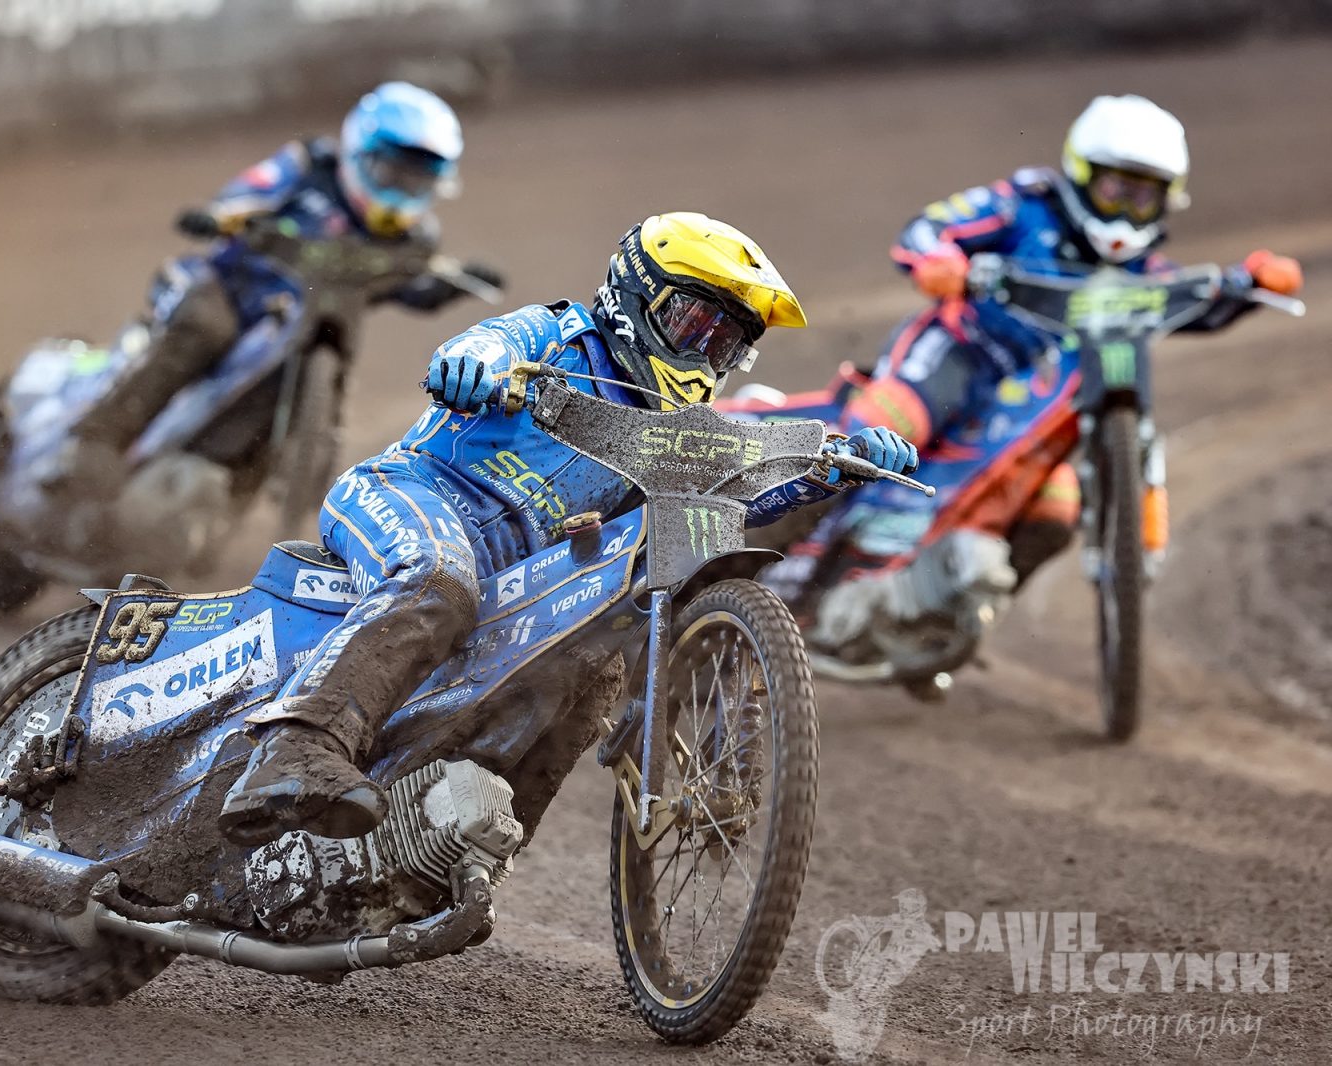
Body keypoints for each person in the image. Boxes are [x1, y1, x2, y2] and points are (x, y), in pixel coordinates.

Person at [217, 212, 920, 844]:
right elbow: (486, 342)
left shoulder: (673, 434)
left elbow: (741, 491)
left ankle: (454, 854)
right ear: (636, 296)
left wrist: (834, 466)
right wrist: (473, 366)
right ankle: (295, 749)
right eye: (692, 326)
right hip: (412, 494)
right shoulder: (557, 333)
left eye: (723, 345)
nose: (703, 355)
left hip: (515, 576)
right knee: (437, 579)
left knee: (595, 668)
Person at [760, 94, 1302, 589]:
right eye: (1115, 190)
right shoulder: (1023, 204)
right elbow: (929, 228)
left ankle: (955, 612)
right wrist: (940, 260)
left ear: (1167, 202)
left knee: (1057, 508)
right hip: (961, 354)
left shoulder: (1138, 271)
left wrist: (1249, 282)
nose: (1124, 212)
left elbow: (1185, 300)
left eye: (1143, 198)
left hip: (1032, 401)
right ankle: (781, 540)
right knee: (886, 425)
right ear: (1083, 175)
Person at [58, 81, 500, 487]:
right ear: (358, 152)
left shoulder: (416, 240)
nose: (402, 192)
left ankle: (244, 491)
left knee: (300, 391)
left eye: (419, 181)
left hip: (307, 329)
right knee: (204, 327)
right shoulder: (308, 167)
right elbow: (245, 195)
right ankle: (95, 442)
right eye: (393, 174)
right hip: (233, 290)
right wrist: (217, 217)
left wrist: (447, 287)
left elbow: (403, 285)